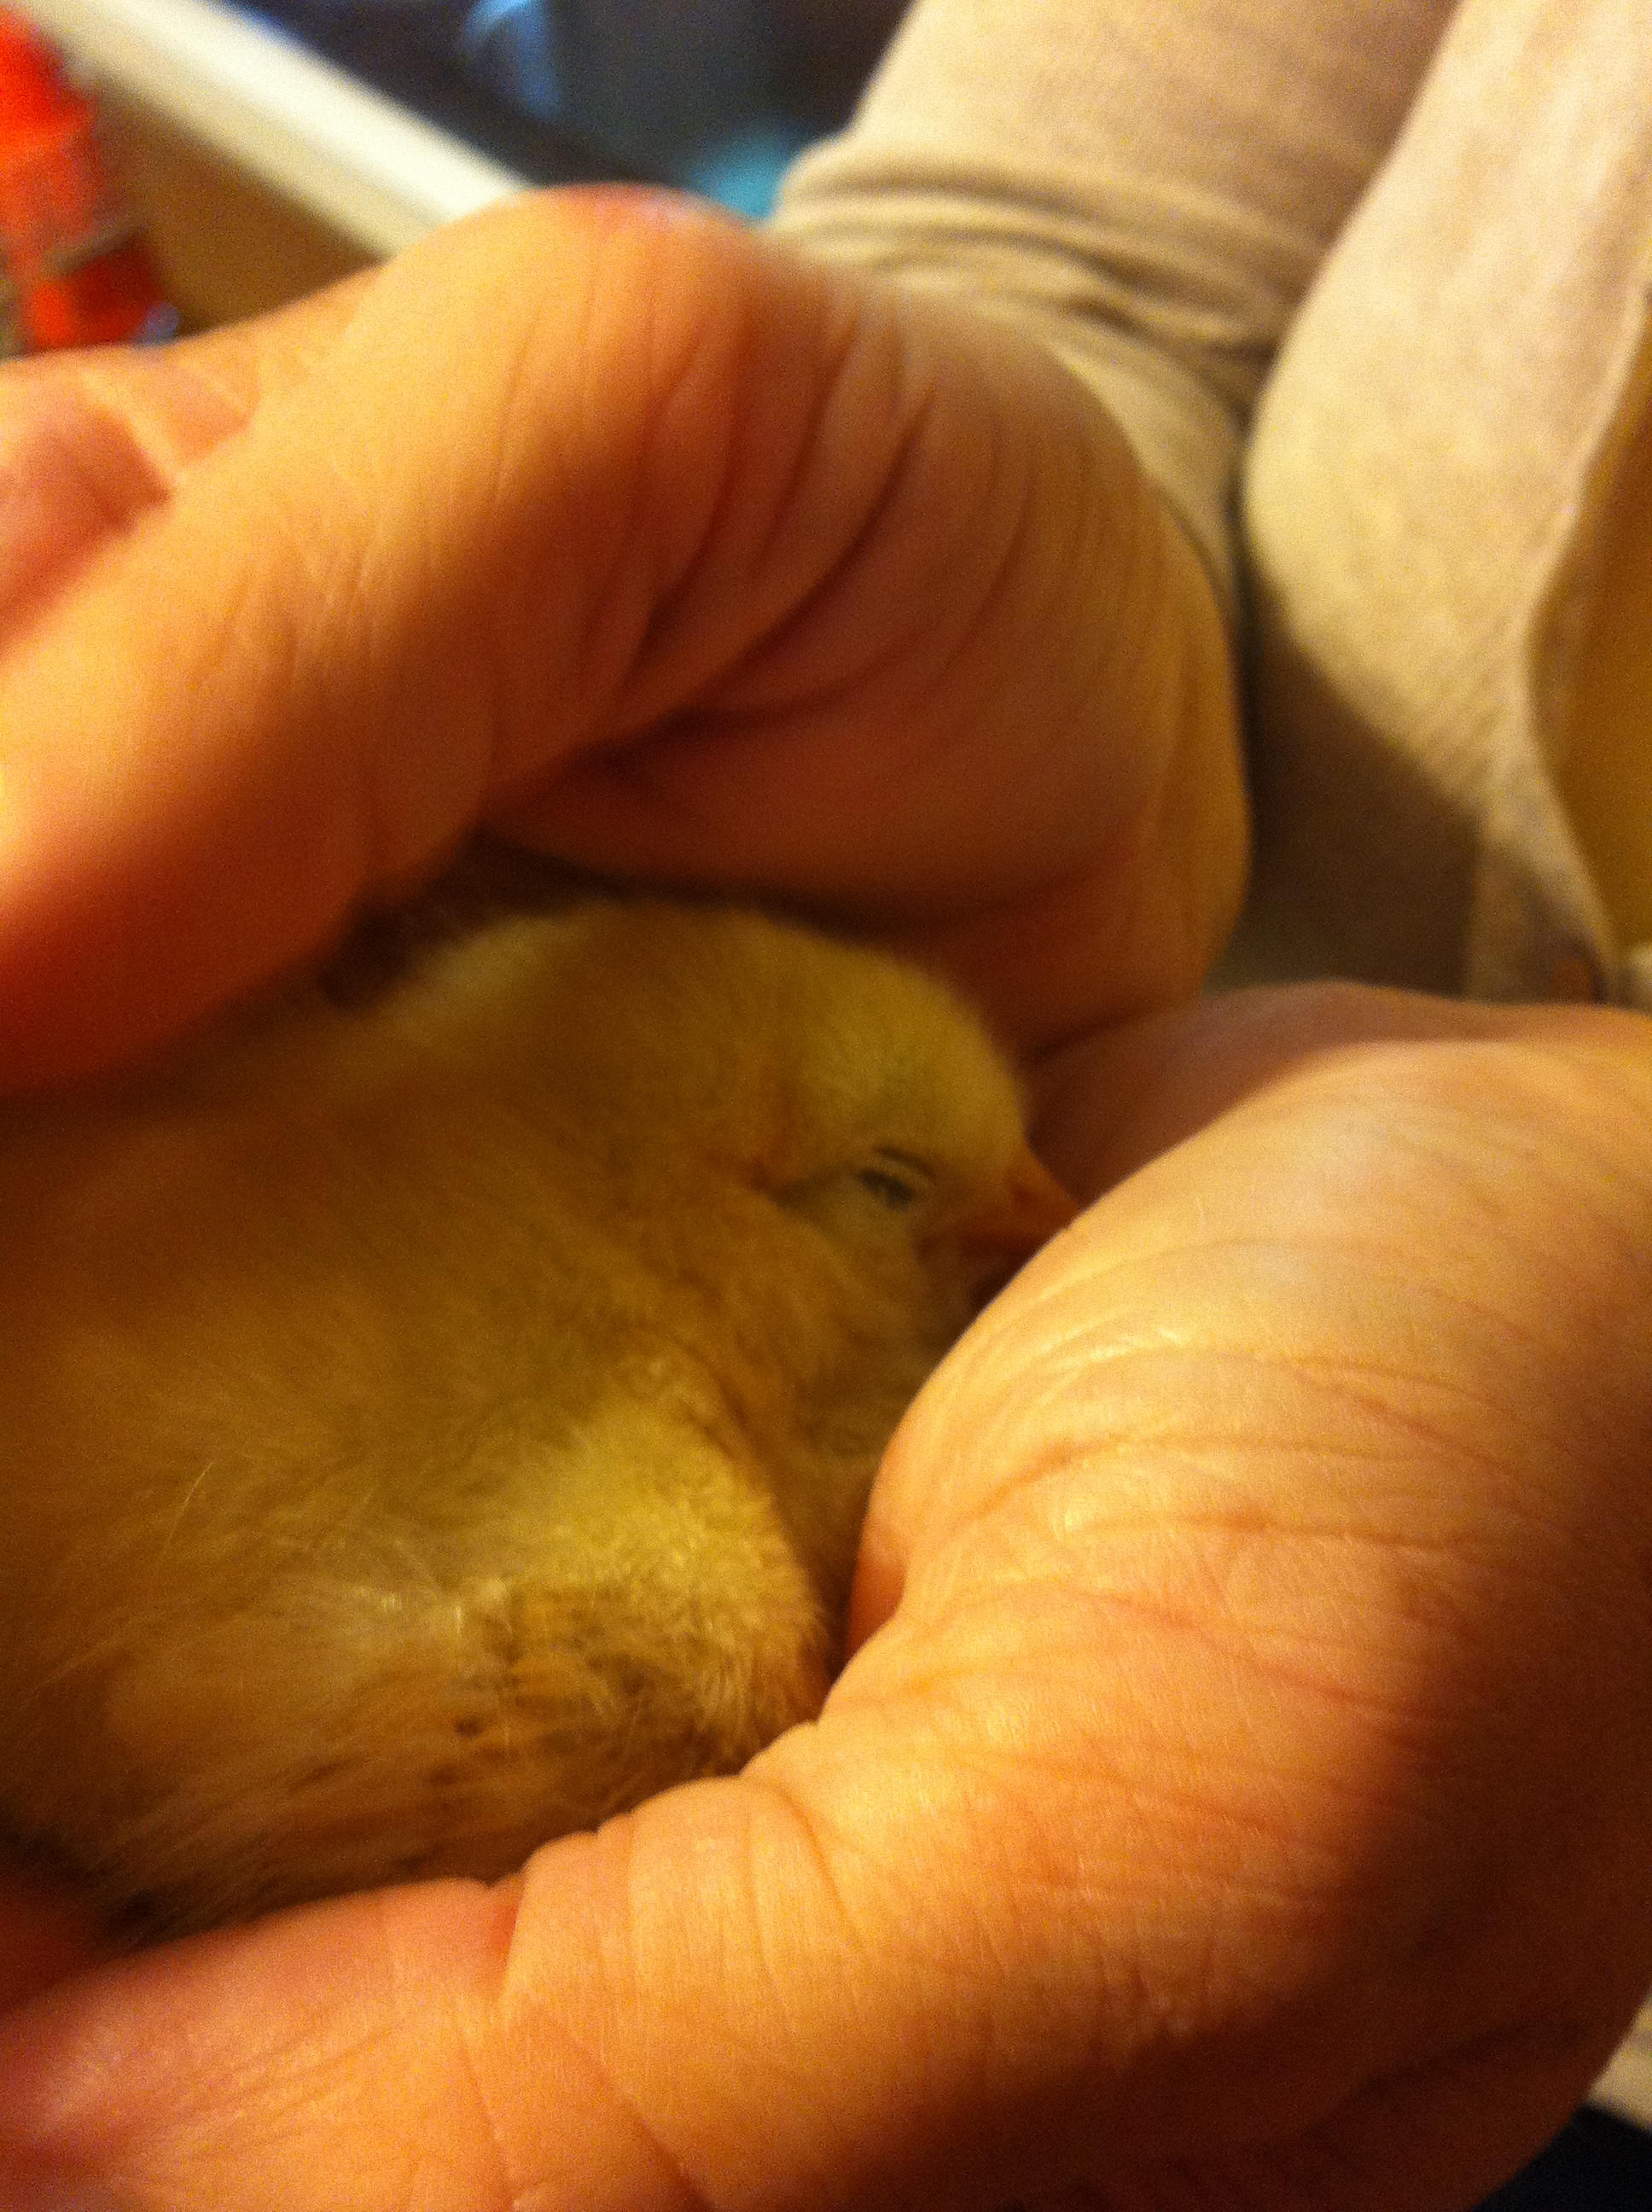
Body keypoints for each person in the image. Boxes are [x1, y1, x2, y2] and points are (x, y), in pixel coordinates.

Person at [0, 2, 1648, 2206]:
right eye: (904, 1190)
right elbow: (1104, 234)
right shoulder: (668, 1587)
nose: (1013, 1212)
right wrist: (965, 587)